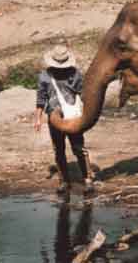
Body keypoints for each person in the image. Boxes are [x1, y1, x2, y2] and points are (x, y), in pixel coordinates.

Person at [34, 45, 94, 195]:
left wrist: (87, 116)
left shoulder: (75, 74)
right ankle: (64, 181)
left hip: (72, 118)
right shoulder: (44, 77)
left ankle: (87, 179)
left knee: (79, 148)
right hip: (54, 118)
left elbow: (84, 94)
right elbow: (41, 100)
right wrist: (38, 119)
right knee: (58, 149)